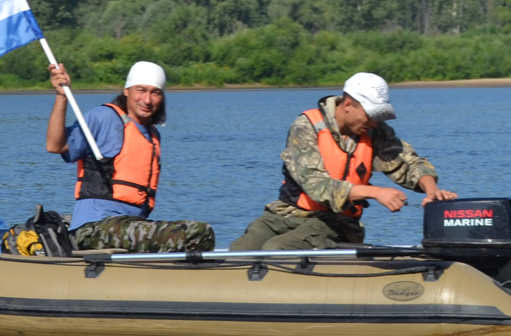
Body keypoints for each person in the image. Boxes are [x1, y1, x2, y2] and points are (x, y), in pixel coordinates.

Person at [228, 72, 455, 254]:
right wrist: (376, 192)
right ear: (348, 104)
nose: (375, 123)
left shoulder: (376, 132)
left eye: (379, 117)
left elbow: (408, 163)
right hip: (285, 214)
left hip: (337, 223)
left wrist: (431, 189)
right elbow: (317, 185)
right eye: (370, 115)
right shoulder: (306, 127)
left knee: (276, 250)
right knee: (239, 251)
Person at [44, 60, 215, 253]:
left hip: (132, 226)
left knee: (201, 232)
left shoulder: (152, 135)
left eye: (155, 92)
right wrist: (61, 97)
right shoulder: (104, 117)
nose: (147, 99)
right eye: (141, 90)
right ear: (127, 91)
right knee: (194, 233)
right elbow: (55, 145)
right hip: (94, 228)